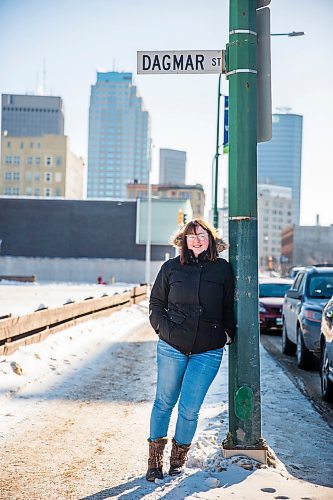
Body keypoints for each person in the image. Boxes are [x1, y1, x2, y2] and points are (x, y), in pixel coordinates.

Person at [146, 218, 235, 482]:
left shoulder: (222, 270)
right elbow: (156, 302)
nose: (196, 239)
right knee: (164, 403)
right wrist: (164, 330)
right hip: (172, 346)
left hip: (207, 350)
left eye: (202, 235)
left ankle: (177, 459)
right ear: (184, 240)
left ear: (211, 239)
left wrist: (227, 333)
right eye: (191, 235)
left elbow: (229, 306)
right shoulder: (171, 268)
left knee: (189, 409)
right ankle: (154, 461)